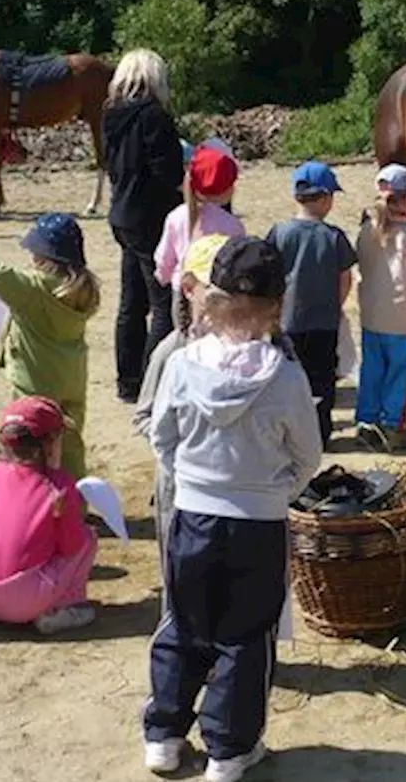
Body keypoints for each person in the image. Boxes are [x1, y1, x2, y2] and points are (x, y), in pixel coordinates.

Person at [143, 237, 321, 781]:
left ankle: (165, 735)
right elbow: (307, 455)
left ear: (212, 300)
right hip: (259, 523)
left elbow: (161, 435)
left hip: (191, 517)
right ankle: (229, 749)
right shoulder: (287, 377)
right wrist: (276, 491)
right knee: (246, 636)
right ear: (276, 305)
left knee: (183, 623)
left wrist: (191, 477)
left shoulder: (181, 363)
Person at [0, 214, 101, 479]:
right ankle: (75, 505)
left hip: (34, 383)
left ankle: (37, 501)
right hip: (71, 378)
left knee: (32, 444)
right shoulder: (84, 289)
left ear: (43, 258)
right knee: (69, 442)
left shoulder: (31, 291)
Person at [132, 232, 229, 612]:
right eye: (214, 289)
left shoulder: (247, 350)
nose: (225, 300)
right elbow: (144, 414)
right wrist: (179, 441)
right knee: (183, 571)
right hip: (180, 484)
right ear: (189, 289)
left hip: (227, 484)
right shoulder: (171, 352)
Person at [0, 396, 97, 633]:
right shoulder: (58, 487)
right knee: (87, 538)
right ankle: (63, 610)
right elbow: (71, 546)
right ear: (51, 444)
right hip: (25, 599)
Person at [103, 48, 185, 404]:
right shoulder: (154, 117)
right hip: (151, 218)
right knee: (164, 302)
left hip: (121, 213)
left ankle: (128, 380)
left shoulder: (110, 115)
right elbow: (167, 173)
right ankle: (155, 381)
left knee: (131, 303)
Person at [265, 160, 357, 447]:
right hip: (323, 322)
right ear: (327, 199)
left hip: (286, 321)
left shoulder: (279, 233)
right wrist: (336, 305)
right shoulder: (333, 236)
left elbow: (269, 274)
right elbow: (346, 278)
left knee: (286, 379)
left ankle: (287, 434)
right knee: (322, 380)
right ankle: (319, 433)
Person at [354, 164, 406, 451]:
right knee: (403, 373)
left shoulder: (366, 231)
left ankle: (366, 421)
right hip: (403, 318)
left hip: (371, 315)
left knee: (372, 369)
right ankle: (394, 426)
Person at [154, 144, 246, 330]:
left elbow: (164, 257)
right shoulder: (233, 225)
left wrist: (163, 275)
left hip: (182, 292)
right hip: (217, 294)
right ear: (227, 190)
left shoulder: (176, 217)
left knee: (183, 342)